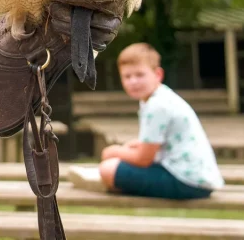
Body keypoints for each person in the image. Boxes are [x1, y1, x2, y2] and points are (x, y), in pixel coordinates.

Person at [69, 42, 224, 199]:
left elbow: (143, 159)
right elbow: (156, 142)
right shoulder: (160, 97)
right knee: (119, 159)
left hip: (186, 181)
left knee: (108, 167)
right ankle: (113, 181)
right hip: (195, 178)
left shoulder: (156, 106)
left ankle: (109, 180)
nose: (133, 81)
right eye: (127, 76)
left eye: (140, 75)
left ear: (158, 74)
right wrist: (133, 146)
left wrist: (114, 151)